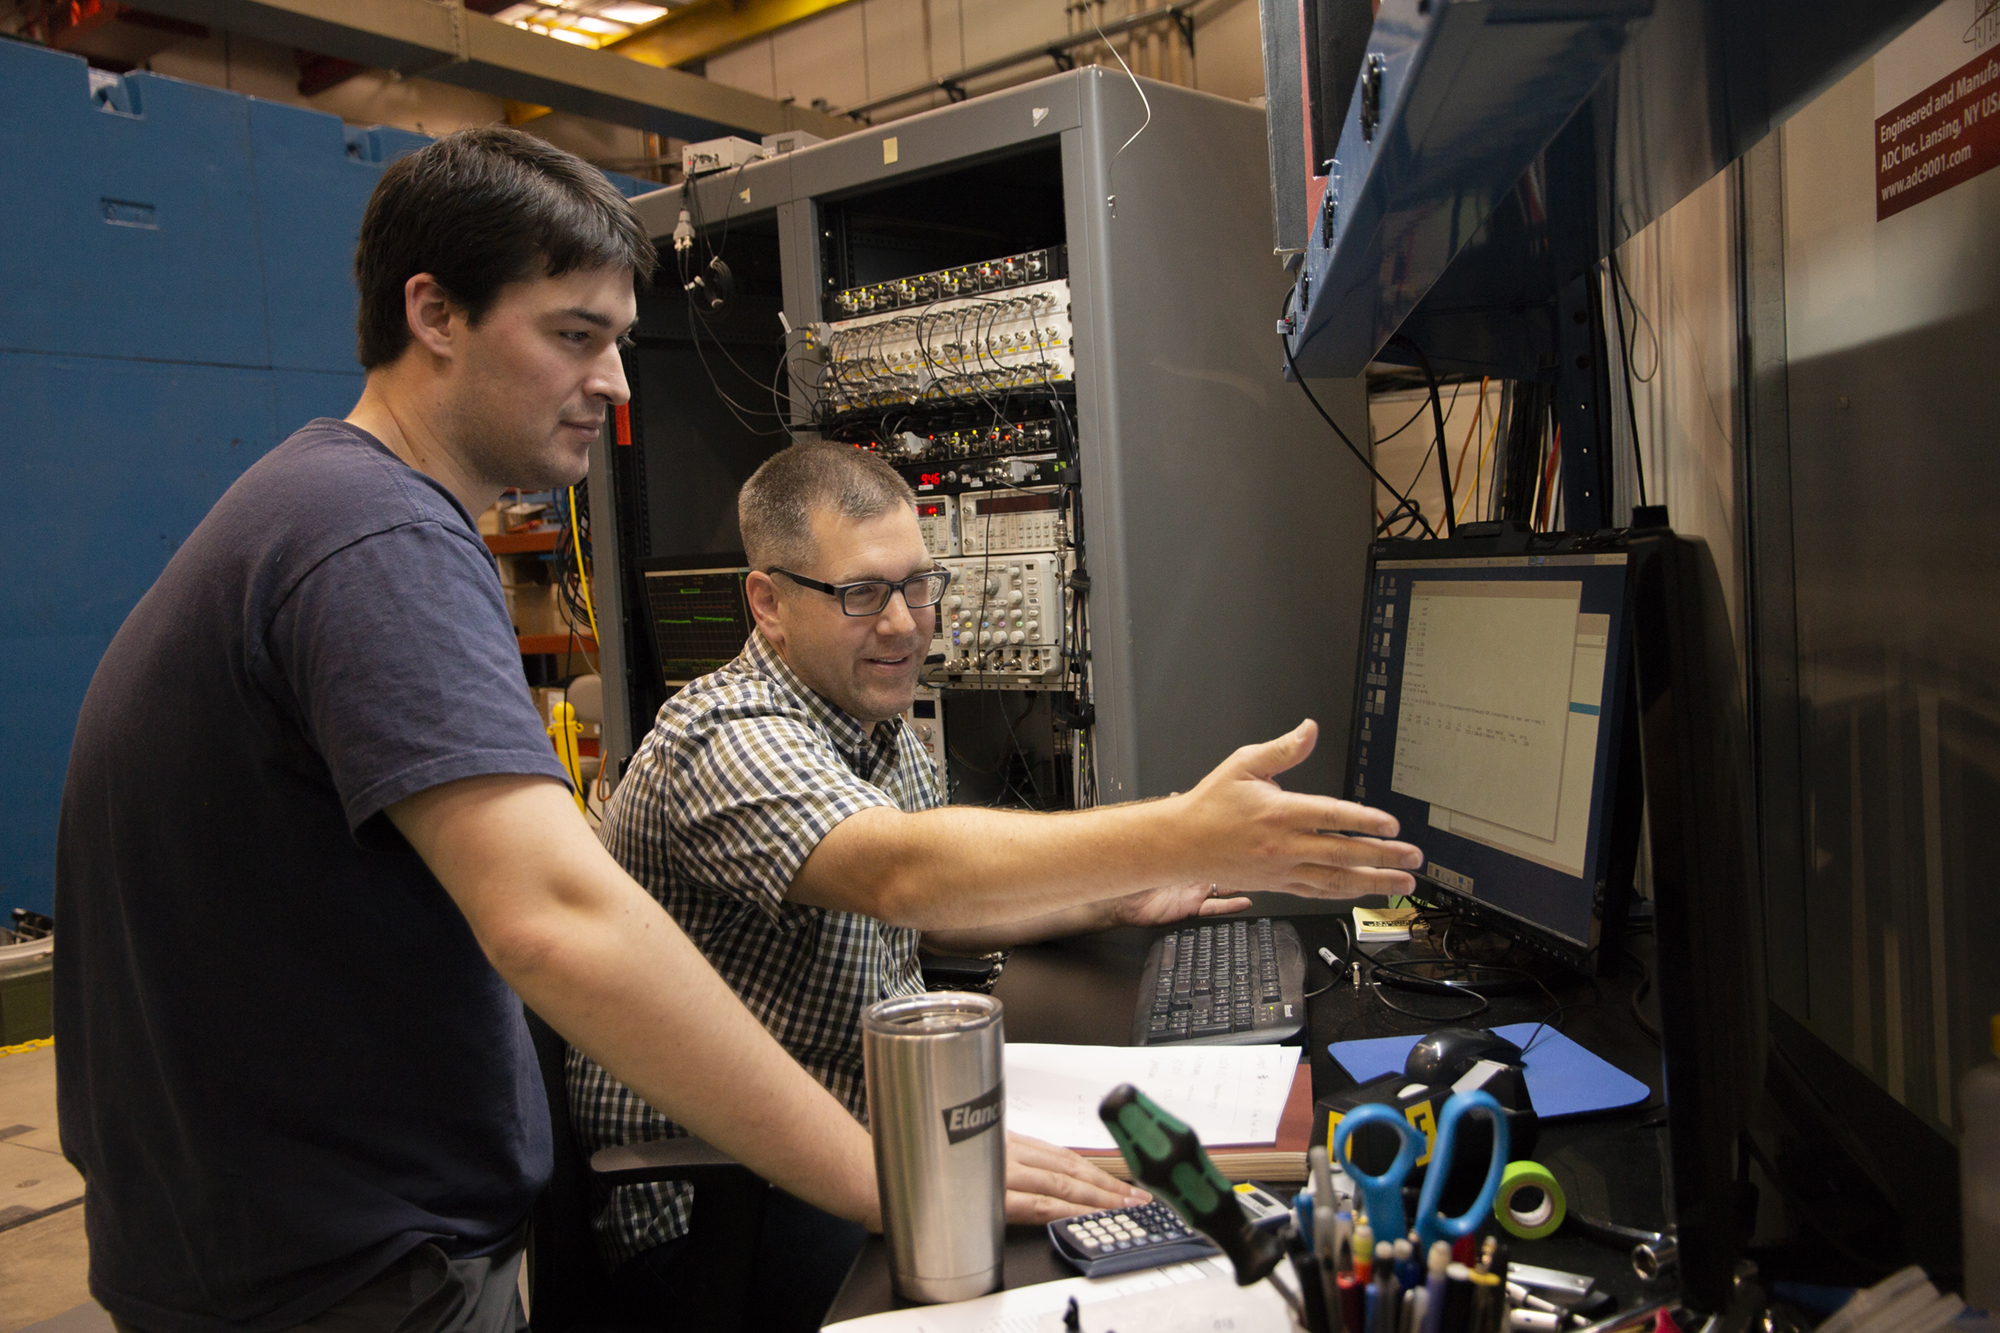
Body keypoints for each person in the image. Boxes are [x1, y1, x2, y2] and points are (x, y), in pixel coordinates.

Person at [53, 127, 1129, 1333]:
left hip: (288, 1238)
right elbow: (552, 918)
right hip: (332, 1272)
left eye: (618, 340)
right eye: (575, 335)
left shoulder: (331, 513)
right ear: (435, 314)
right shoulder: (376, 541)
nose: (617, 382)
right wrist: (879, 1175)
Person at [570, 442, 1425, 1328]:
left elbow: (929, 926)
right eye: (862, 593)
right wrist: (1176, 833)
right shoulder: (723, 734)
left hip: (860, 1136)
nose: (903, 624)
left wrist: (1111, 900)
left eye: (917, 585)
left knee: (1145, 1237)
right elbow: (906, 877)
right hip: (724, 1205)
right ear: (768, 602)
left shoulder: (871, 721)